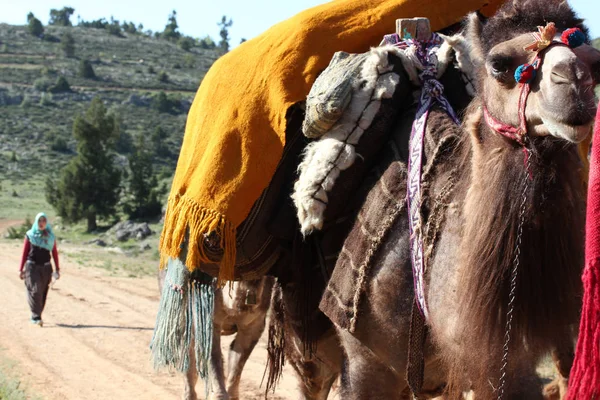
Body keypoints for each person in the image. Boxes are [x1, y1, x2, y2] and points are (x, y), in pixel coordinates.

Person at [18, 212, 60, 327]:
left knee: (42, 292)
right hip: (32, 267)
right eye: (39, 221)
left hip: (46, 268)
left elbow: (54, 253)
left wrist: (57, 269)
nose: (41, 223)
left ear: (46, 223)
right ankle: (36, 316)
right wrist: (20, 269)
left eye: (44, 221)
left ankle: (37, 313)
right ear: (36, 222)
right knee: (35, 290)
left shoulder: (50, 237)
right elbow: (24, 252)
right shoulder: (29, 235)